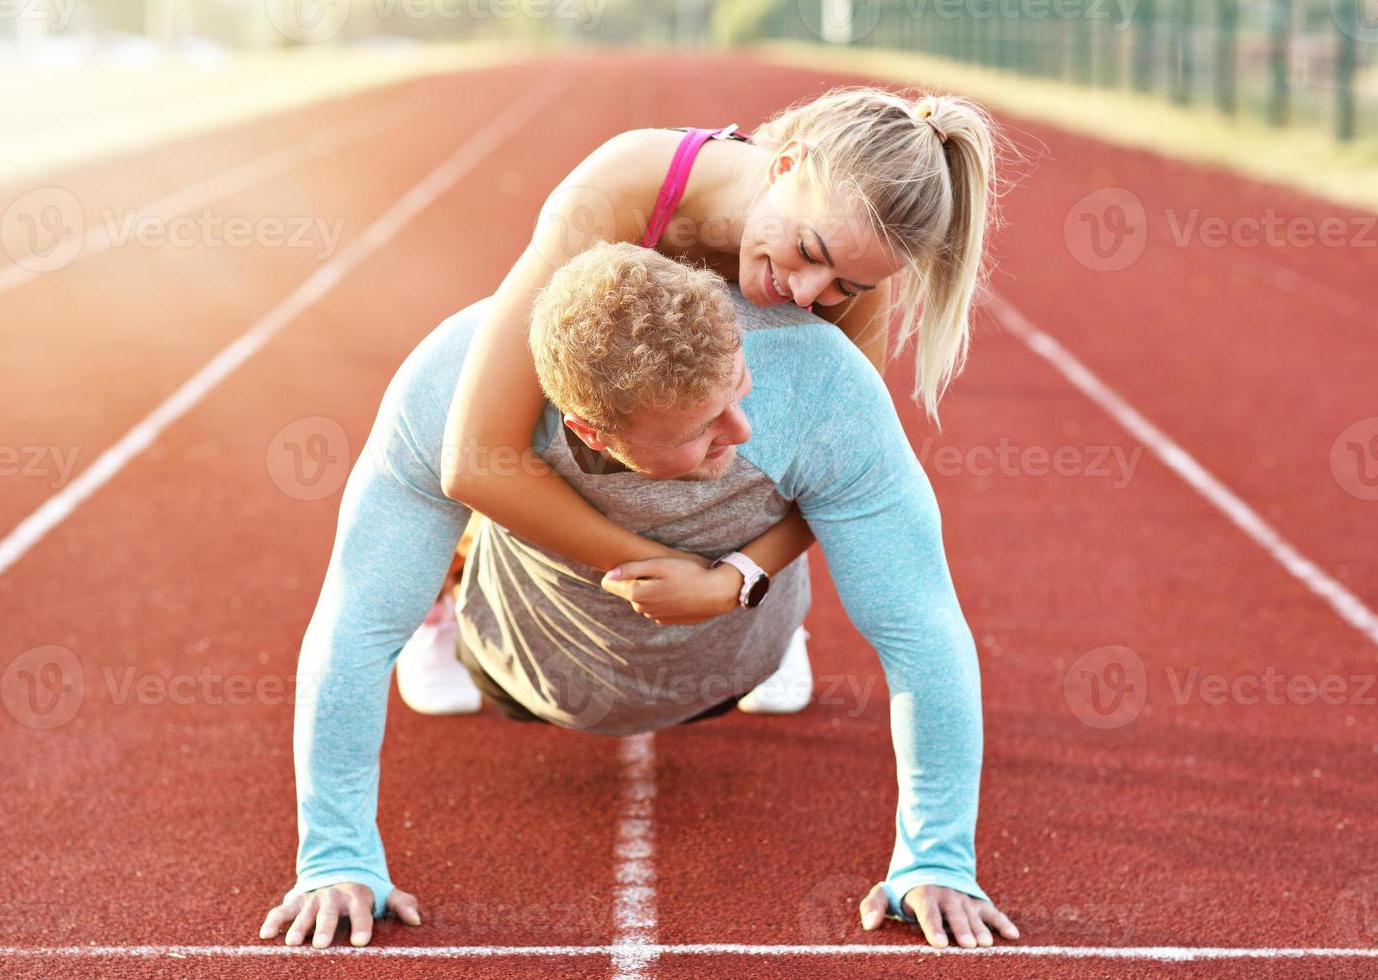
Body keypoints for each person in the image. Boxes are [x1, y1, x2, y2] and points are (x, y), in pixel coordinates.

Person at [260, 242, 1016, 952]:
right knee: (420, 562)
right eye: (700, 428)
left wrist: (937, 857)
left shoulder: (822, 381)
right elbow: (356, 622)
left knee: (805, 488)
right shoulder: (449, 383)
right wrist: (336, 855)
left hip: (739, 655)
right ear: (589, 429)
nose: (741, 426)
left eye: (738, 391)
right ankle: (446, 601)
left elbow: (921, 627)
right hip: (527, 667)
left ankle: (782, 626)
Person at [399, 86, 997, 717]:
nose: (807, 292)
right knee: (525, 408)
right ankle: (445, 600)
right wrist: (660, 569)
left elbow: (839, 475)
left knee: (780, 428)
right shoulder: (621, 188)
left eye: (845, 284)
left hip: (724, 527)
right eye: (808, 253)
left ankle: (782, 620)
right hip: (591, 434)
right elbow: (474, 456)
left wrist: (738, 581)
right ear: (787, 165)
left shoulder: (850, 264)